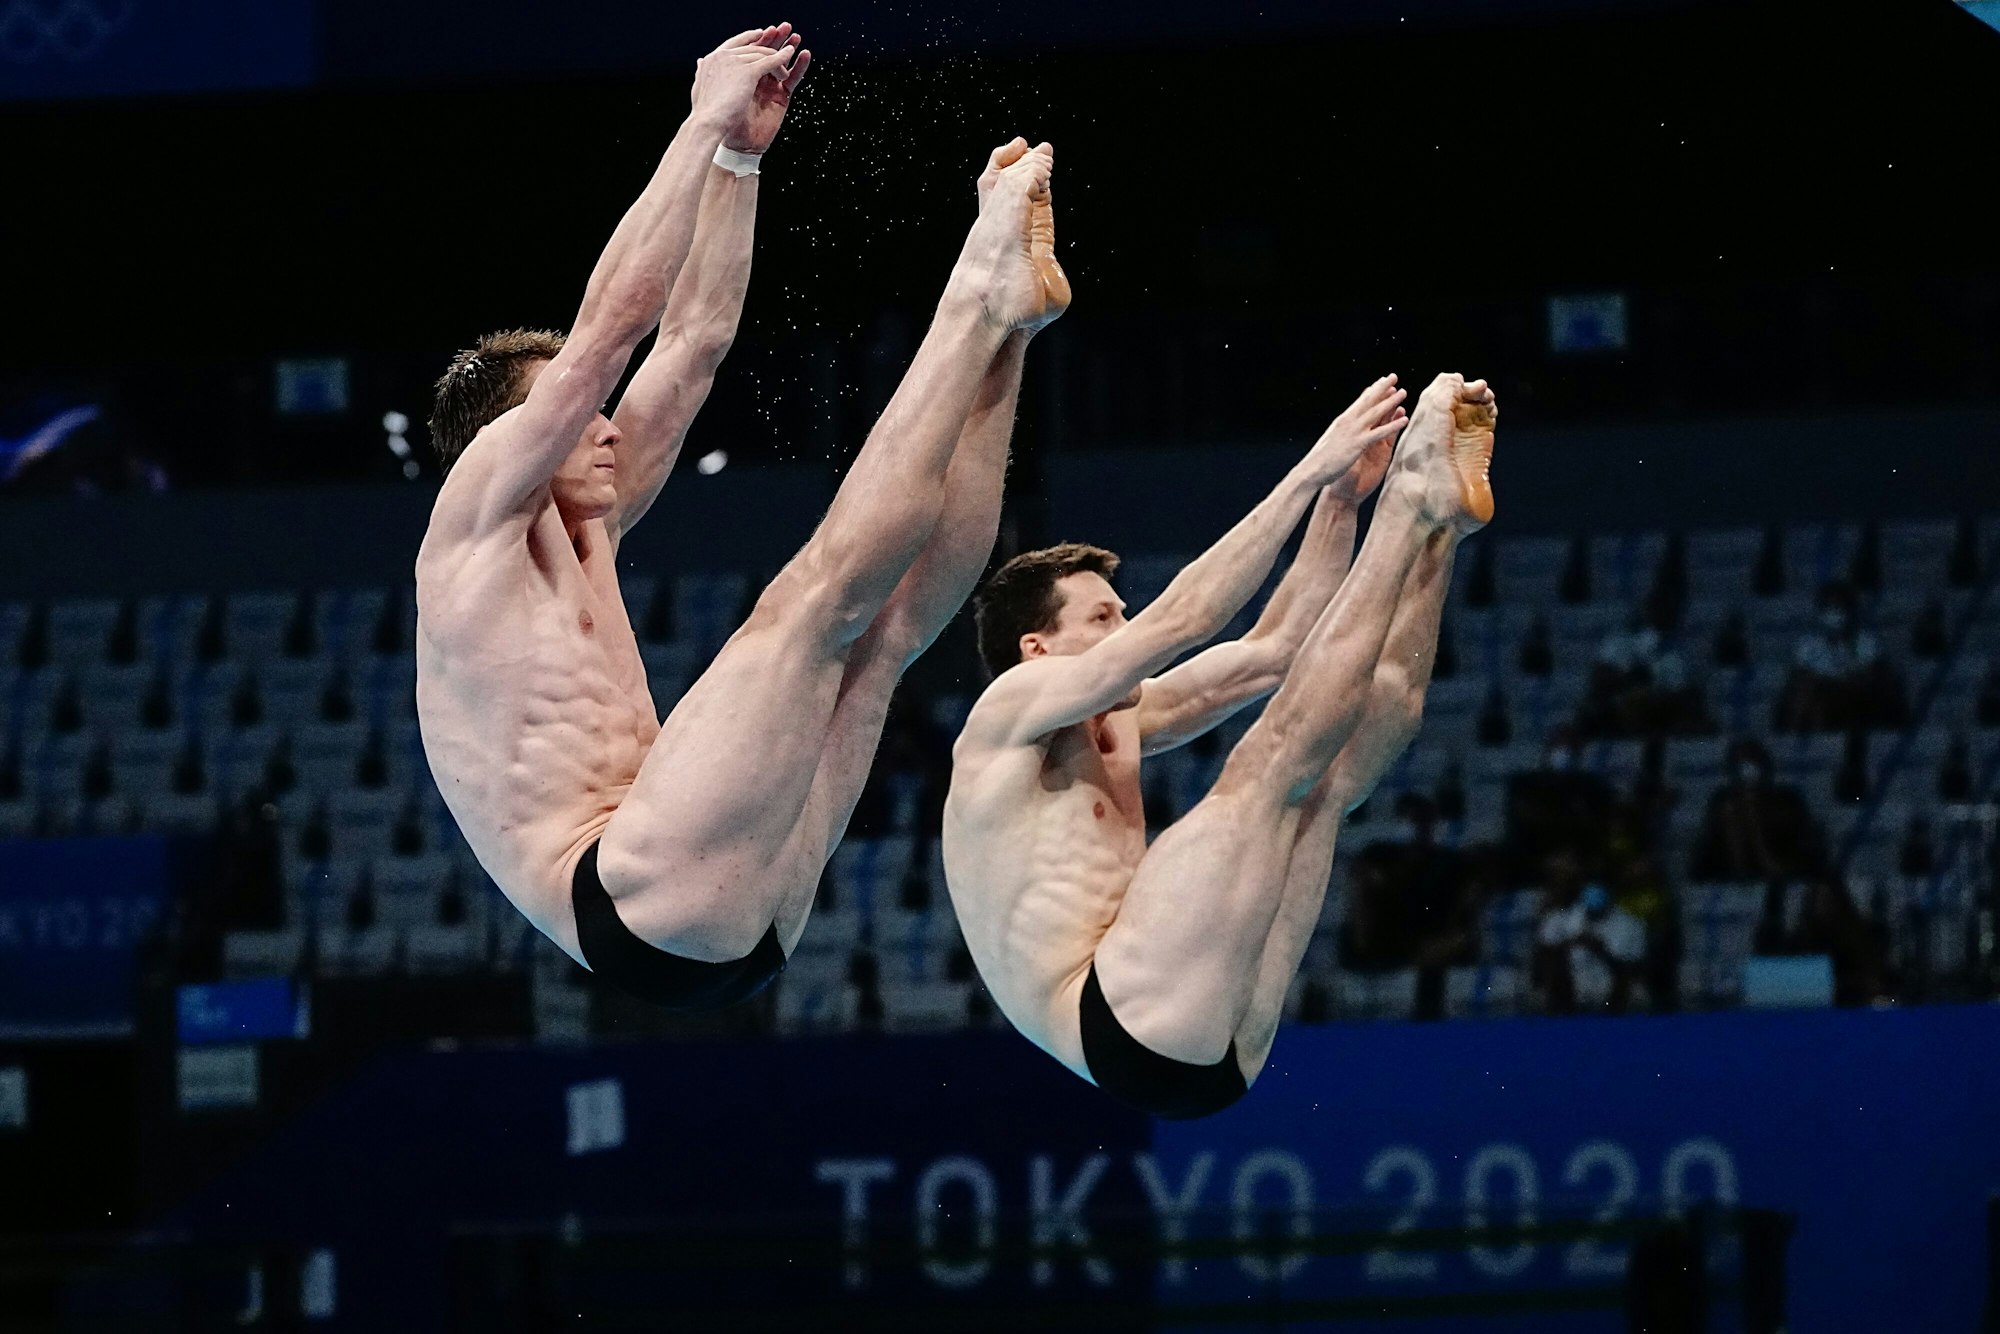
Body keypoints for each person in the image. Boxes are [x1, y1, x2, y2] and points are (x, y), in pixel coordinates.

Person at [415, 23, 1070, 1009]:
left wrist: (736, 160)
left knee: (879, 638)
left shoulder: (587, 517)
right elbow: (608, 337)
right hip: (629, 892)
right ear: (504, 440)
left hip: (734, 899)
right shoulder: (470, 530)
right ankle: (976, 292)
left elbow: (691, 340)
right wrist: (694, 125)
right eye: (571, 412)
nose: (603, 423)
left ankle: (1006, 333)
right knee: (808, 608)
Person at [943, 372, 1495, 1118]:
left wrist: (1339, 503)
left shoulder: (1118, 717)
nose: (1125, 628)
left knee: (1329, 783)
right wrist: (1308, 472)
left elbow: (1277, 647)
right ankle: (1413, 498)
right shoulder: (1004, 713)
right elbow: (1184, 619)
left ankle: (1436, 535)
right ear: (1035, 648)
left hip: (1208, 1043)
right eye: (1103, 618)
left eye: (1122, 612)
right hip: (1114, 1020)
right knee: (1266, 772)